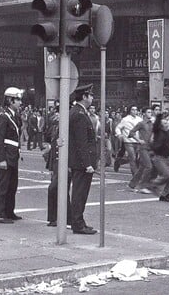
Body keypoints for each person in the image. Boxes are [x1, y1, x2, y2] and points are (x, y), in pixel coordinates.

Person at [69, 84, 98, 234]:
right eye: (90, 95)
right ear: (84, 97)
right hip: (81, 164)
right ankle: (78, 224)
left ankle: (79, 222)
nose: (92, 98)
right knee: (80, 194)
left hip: (79, 162)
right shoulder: (79, 114)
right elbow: (81, 142)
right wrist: (87, 164)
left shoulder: (79, 112)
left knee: (80, 193)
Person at [0, 87, 24, 224]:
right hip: (6, 156)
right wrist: (1, 159)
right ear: (10, 101)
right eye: (17, 99)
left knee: (12, 186)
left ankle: (9, 211)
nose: (19, 102)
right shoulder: (3, 117)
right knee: (2, 186)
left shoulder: (14, 116)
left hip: (13, 156)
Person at [128, 107, 155, 192]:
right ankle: (142, 186)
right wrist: (139, 140)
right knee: (149, 166)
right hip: (142, 148)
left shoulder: (152, 124)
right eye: (148, 112)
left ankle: (132, 184)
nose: (150, 114)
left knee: (142, 167)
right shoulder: (141, 123)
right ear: (144, 113)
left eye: (151, 112)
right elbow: (131, 132)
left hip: (150, 148)